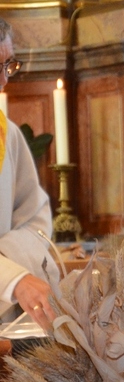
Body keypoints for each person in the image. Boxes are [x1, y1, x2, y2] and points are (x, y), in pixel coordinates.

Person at [0, 19, 57, 329]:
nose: (4, 81)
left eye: (8, 65)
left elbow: (35, 221)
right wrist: (13, 279)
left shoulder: (6, 134)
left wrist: (7, 255)